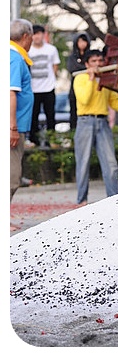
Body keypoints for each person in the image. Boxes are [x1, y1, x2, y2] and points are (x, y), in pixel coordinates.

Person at [73, 49, 118, 206]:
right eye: (94, 62)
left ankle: (114, 200)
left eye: (100, 61)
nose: (98, 64)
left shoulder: (106, 79)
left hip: (102, 123)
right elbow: (84, 99)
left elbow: (115, 104)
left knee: (111, 165)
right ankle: (81, 201)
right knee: (83, 163)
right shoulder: (80, 78)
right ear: (86, 64)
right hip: (85, 122)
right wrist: (91, 79)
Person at [10, 19, 34, 229]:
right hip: (13, 127)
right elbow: (11, 92)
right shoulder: (15, 58)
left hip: (17, 125)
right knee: (12, 176)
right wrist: (12, 128)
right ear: (26, 36)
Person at [28, 24, 61, 146]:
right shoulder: (28, 50)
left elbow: (55, 65)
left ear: (43, 35)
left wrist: (53, 79)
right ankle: (33, 140)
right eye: (34, 34)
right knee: (33, 116)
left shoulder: (51, 49)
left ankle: (51, 139)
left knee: (50, 115)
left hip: (48, 87)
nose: (37, 37)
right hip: (33, 88)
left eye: (39, 33)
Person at [66, 31, 91, 130]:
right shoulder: (72, 57)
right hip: (75, 88)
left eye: (84, 41)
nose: (82, 44)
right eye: (80, 41)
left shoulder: (90, 55)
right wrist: (86, 70)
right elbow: (72, 69)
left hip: (89, 86)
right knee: (74, 112)